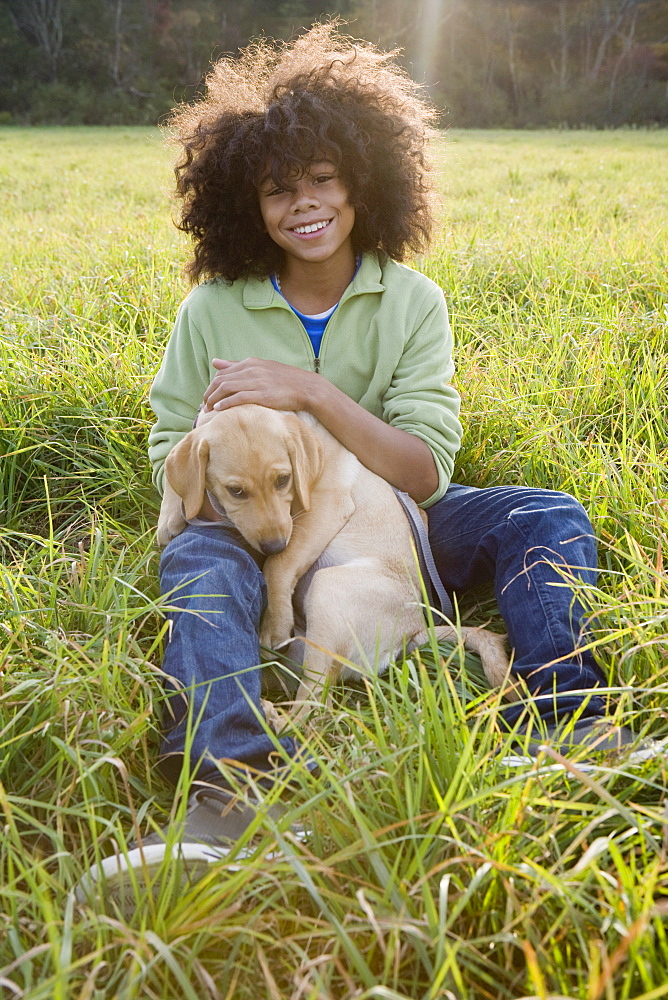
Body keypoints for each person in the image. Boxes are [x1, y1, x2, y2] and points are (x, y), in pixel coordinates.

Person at [77, 23, 653, 904]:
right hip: (254, 516)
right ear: (244, 204)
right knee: (197, 557)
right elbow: (171, 451)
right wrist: (213, 462)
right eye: (276, 189)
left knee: (543, 513)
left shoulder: (410, 299)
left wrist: (310, 397)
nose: (302, 205)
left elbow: (425, 471)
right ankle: (227, 798)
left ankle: (570, 726)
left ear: (363, 183)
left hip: (401, 517)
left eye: (322, 179)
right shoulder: (212, 310)